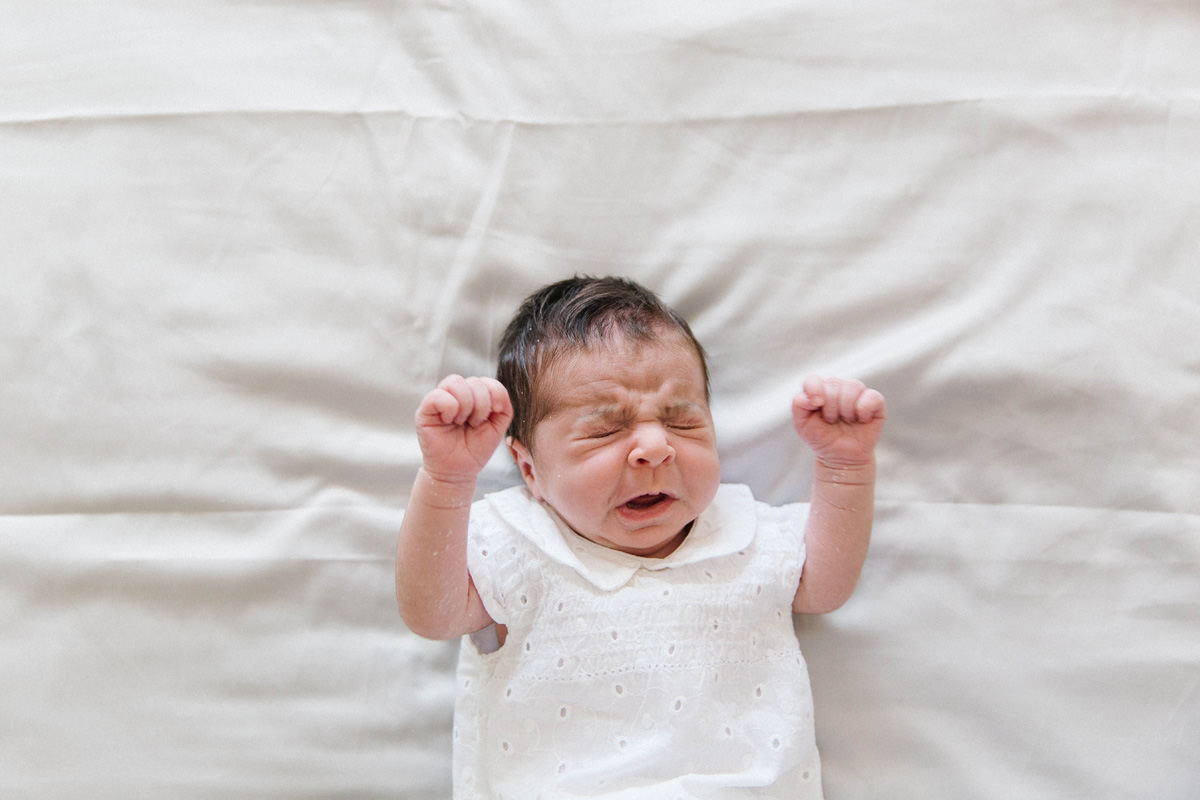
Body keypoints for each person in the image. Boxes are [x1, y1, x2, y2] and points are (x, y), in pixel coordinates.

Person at [396, 276, 886, 799]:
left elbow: (825, 585)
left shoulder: (743, 533)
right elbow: (433, 613)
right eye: (606, 429)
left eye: (682, 422)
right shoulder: (521, 545)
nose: (655, 446)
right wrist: (447, 480)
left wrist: (843, 466)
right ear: (529, 469)